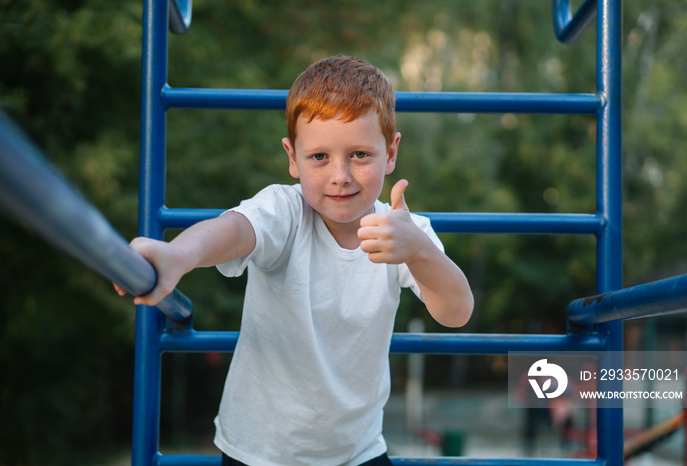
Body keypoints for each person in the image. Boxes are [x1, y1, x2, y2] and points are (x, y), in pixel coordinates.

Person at [116, 55, 474, 465]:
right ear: (292, 157)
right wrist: (177, 255)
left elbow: (457, 312)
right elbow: (233, 230)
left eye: (359, 154)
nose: (340, 175)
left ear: (391, 153)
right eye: (319, 157)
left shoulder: (403, 231)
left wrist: (421, 251)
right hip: (258, 453)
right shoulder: (284, 212)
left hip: (356, 453)